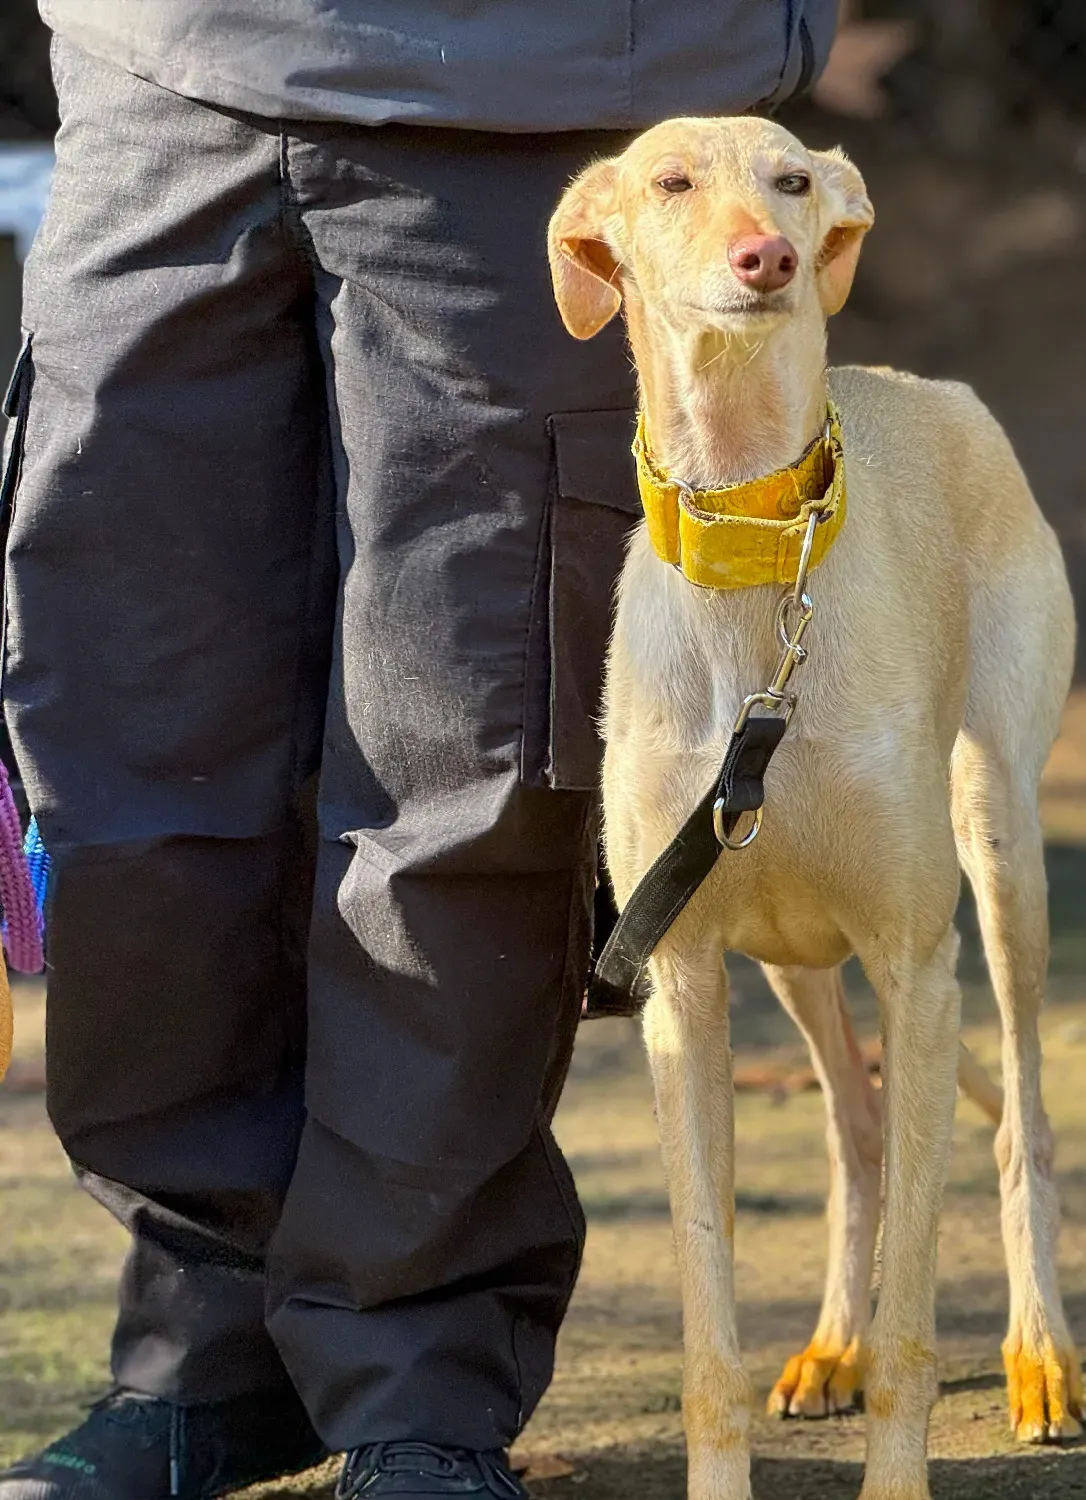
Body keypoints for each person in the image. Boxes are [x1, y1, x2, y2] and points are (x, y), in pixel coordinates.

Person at [0, 6, 835, 1498]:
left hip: (544, 88)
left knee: (468, 750)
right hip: (164, 70)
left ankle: (416, 1379)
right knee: (135, 737)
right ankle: (205, 1350)